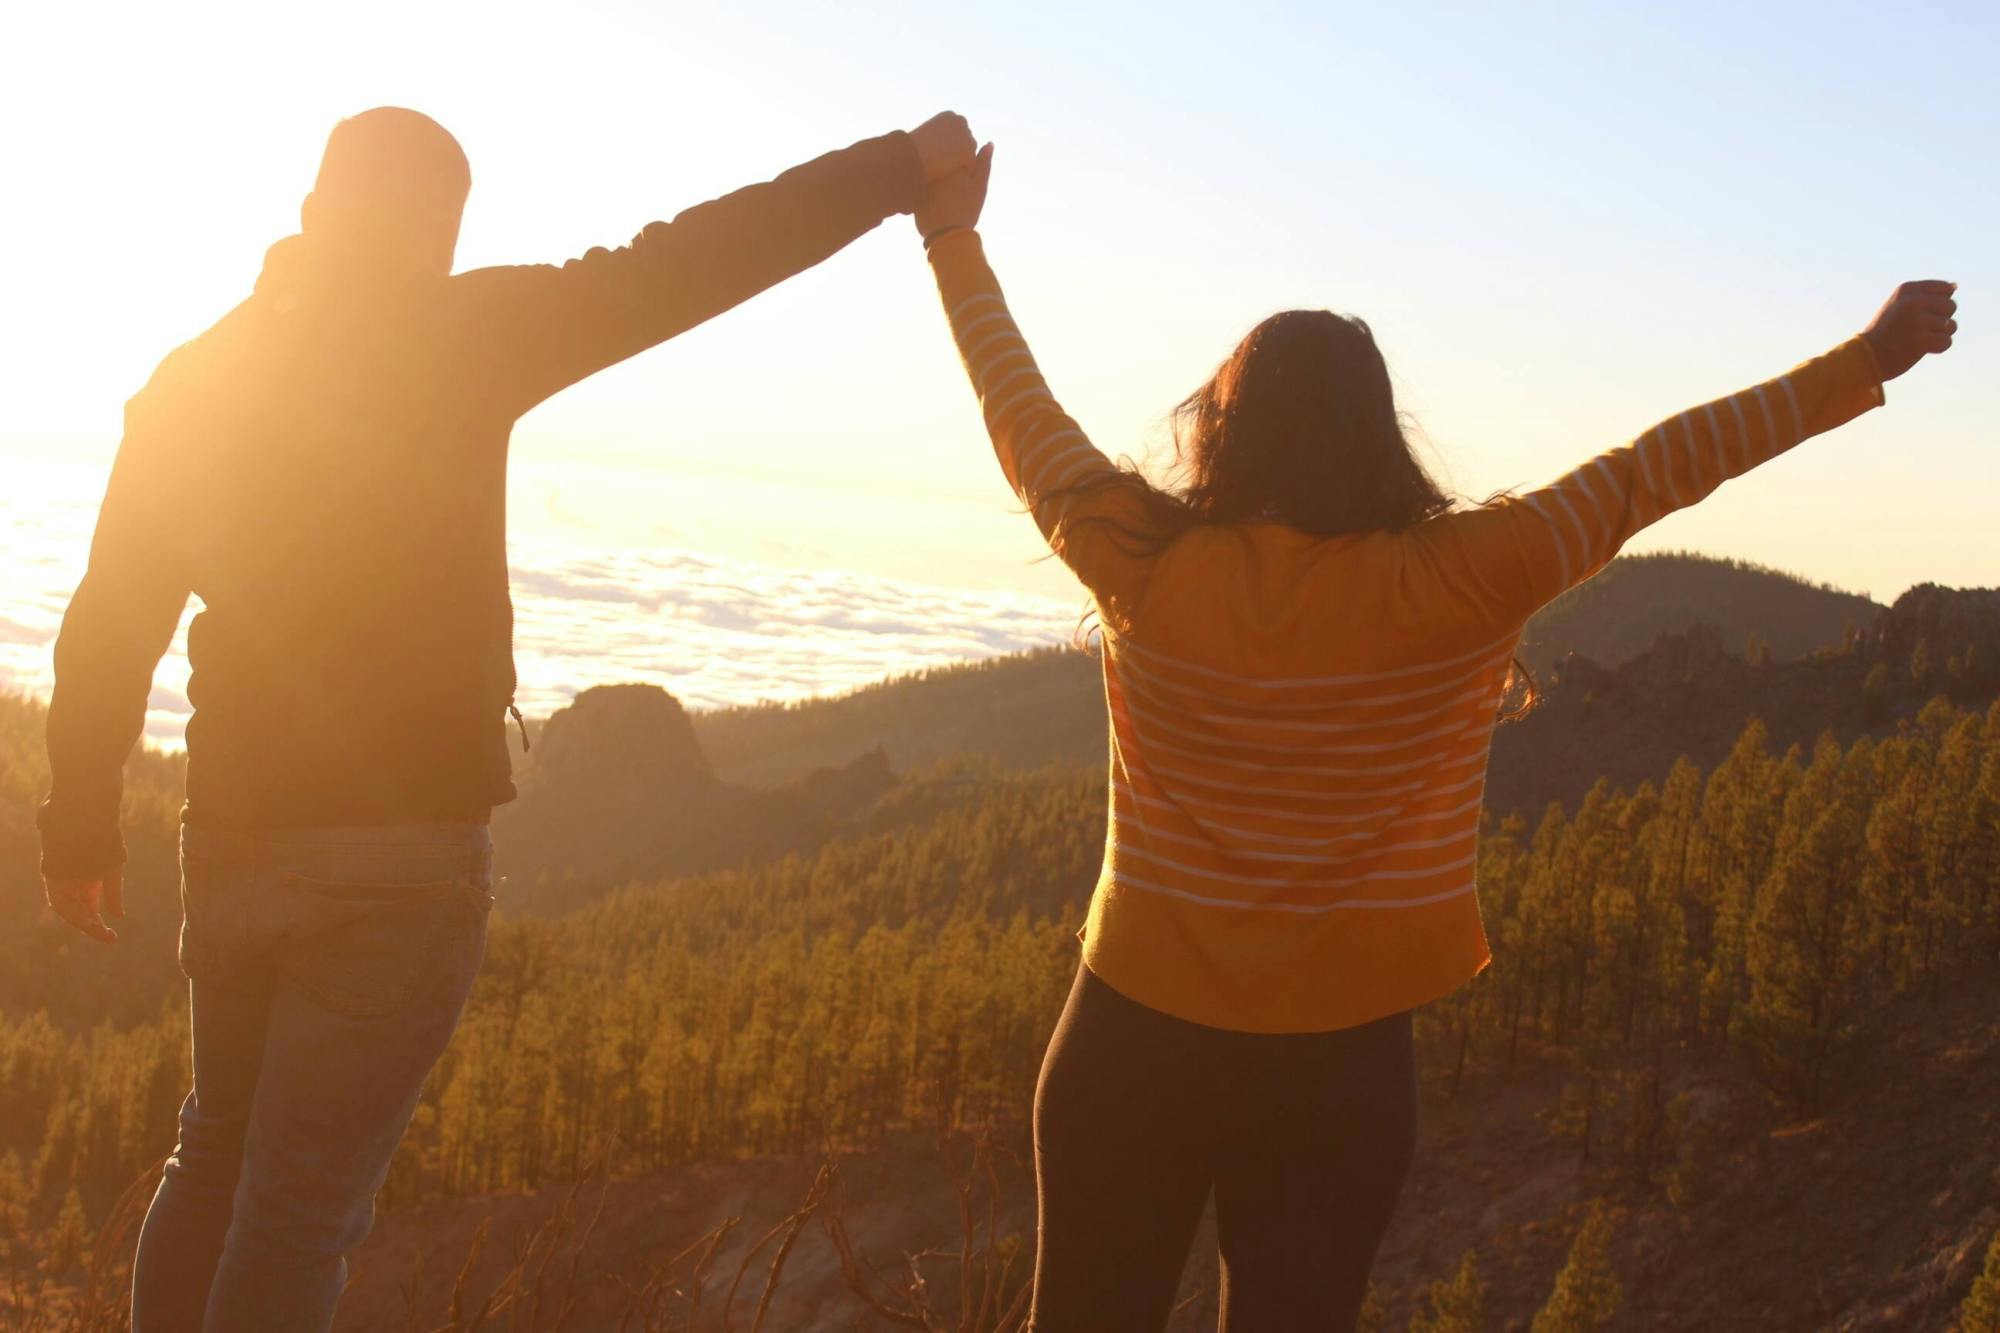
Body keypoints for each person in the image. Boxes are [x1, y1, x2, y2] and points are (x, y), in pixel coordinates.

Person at [913, 146, 1956, 1332]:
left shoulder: (1141, 559)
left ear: (1222, 426)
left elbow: (1016, 405)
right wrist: (1866, 359)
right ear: (1376, 433)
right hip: (1339, 1071)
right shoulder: (1461, 578)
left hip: (1129, 1041)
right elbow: (1664, 465)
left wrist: (950, 235)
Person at [37, 104, 977, 1333]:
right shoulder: (465, 332)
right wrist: (900, 168)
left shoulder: (191, 381)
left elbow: (111, 616)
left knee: (209, 1156)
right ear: (439, 230)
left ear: (316, 211)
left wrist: (81, 833)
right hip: (397, 861)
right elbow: (690, 259)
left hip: (231, 838)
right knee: (296, 1213)